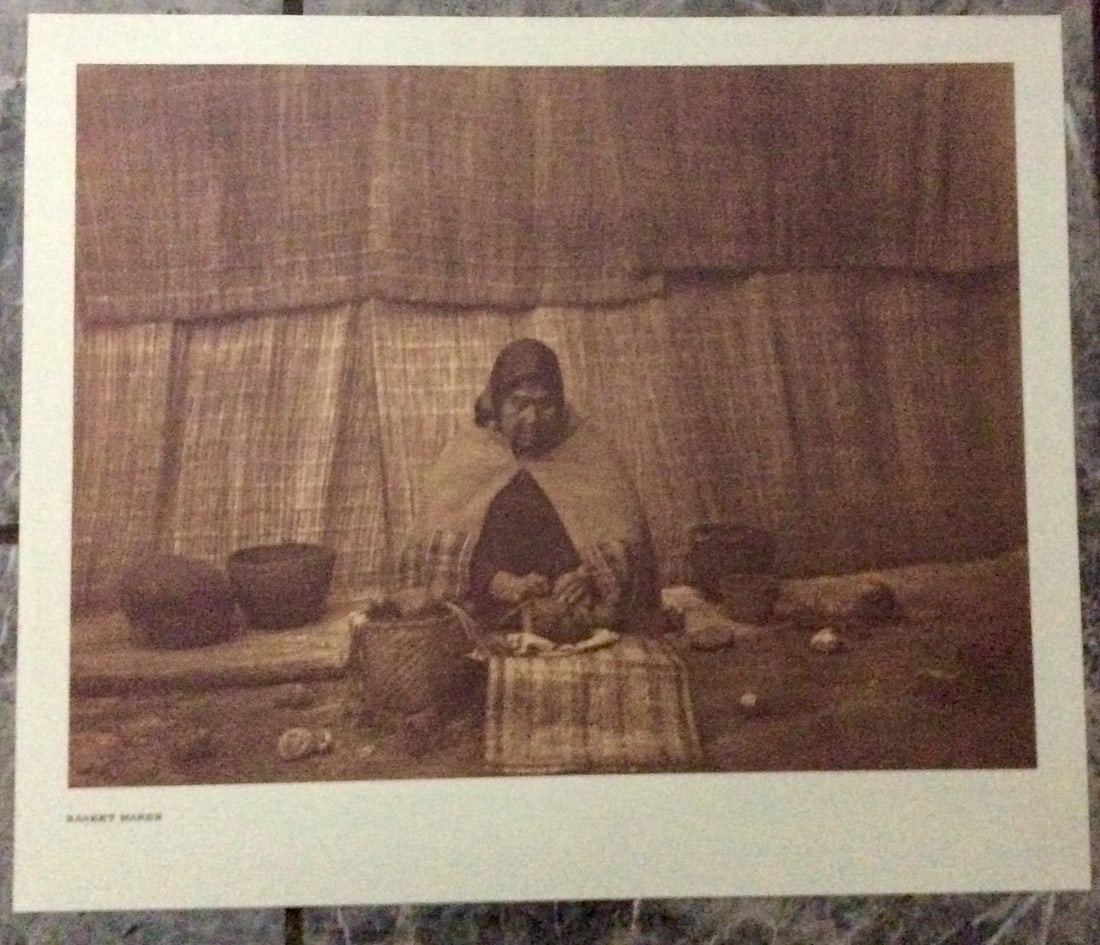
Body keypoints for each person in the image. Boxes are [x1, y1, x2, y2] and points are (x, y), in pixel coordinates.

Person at [397, 338, 658, 638]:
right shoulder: (469, 453)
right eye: (519, 404)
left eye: (545, 404)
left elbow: (625, 542)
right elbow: (442, 548)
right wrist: (494, 581)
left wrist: (586, 576)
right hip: (486, 617)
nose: (532, 419)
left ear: (559, 404)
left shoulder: (587, 450)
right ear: (498, 403)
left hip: (570, 614)